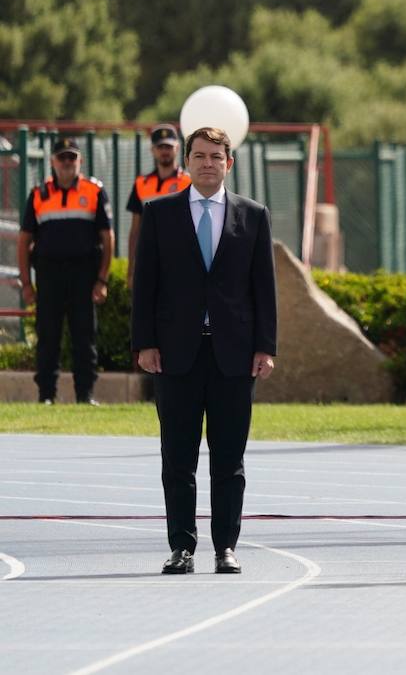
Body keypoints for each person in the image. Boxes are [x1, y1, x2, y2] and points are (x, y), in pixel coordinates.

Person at [133, 126, 277, 575]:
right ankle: (181, 547)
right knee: (177, 457)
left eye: (216, 156)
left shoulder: (253, 216)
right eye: (199, 156)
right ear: (187, 162)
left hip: (234, 356)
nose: (207, 163)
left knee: (229, 459)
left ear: (229, 163)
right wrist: (144, 343)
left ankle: (225, 547)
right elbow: (145, 286)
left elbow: (263, 290)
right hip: (175, 355)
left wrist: (265, 348)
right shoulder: (159, 213)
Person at [17, 137, 114, 405]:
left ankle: (86, 395)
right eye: (63, 158)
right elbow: (24, 240)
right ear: (53, 161)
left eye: (72, 157)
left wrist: (102, 279)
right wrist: (26, 283)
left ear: (80, 161)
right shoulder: (38, 194)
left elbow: (107, 238)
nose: (67, 163)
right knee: (48, 337)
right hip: (49, 276)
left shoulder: (94, 191)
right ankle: (46, 395)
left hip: (84, 275)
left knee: (84, 337)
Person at [126, 124, 191, 292]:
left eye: (168, 146)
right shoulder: (141, 184)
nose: (165, 151)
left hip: (181, 260)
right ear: (152, 150)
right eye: (160, 146)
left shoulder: (189, 182)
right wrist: (131, 269)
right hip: (150, 259)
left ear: (177, 148)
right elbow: (135, 230)